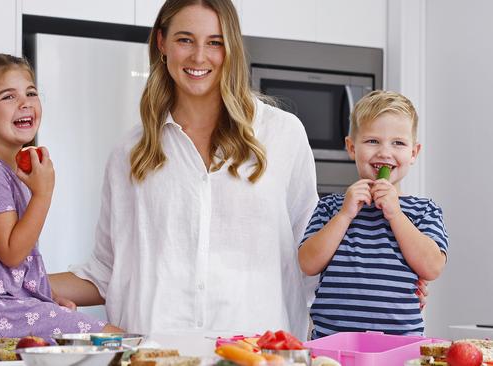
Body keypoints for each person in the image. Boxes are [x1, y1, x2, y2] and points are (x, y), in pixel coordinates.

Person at [48, 0, 319, 340]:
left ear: (232, 47)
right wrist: (17, 286)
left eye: (215, 42)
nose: (199, 56)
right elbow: (107, 270)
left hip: (259, 354)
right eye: (185, 40)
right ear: (162, 43)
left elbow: (312, 254)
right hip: (156, 354)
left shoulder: (282, 135)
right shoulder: (130, 153)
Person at [0, 53, 121, 341]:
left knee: (116, 346)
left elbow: (7, 265)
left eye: (31, 92)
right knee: (121, 343)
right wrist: (43, 193)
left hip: (5, 307)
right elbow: (11, 251)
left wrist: (41, 296)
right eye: (8, 97)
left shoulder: (3, 170)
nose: (25, 103)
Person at [298, 90, 448, 339]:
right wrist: (345, 215)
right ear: (351, 147)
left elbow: (432, 267)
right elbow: (308, 263)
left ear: (413, 153)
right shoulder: (331, 207)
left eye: (398, 143)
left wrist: (396, 214)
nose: (384, 152)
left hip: (399, 344)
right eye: (372, 141)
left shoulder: (424, 210)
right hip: (333, 341)